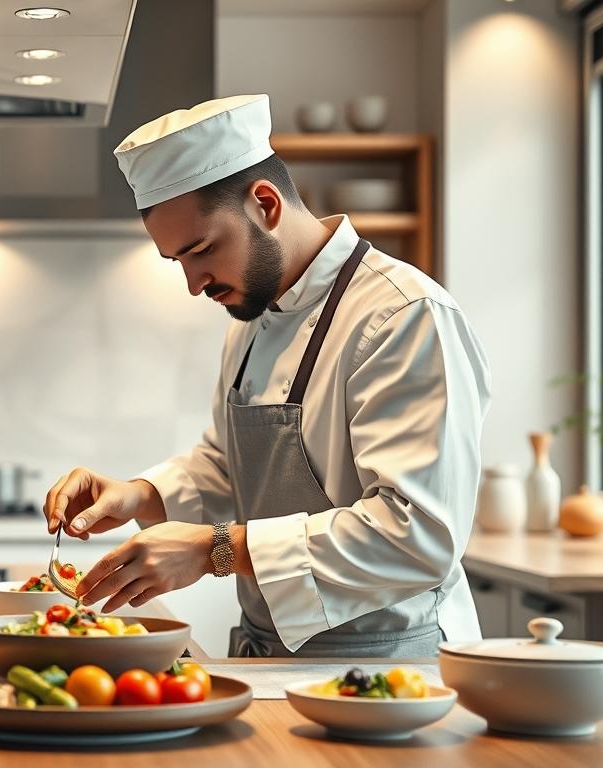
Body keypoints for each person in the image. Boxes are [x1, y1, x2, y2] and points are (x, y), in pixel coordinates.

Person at [44, 94, 492, 657]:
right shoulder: (252, 319)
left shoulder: (404, 317)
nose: (193, 283)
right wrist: (137, 495)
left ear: (265, 204)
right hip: (274, 658)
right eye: (177, 261)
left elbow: (418, 535)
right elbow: (230, 468)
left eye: (201, 250)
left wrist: (215, 551)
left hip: (392, 667)